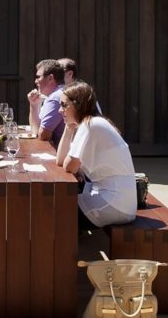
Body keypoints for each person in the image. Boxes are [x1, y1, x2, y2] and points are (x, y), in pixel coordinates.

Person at [54, 81, 136, 228]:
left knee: (53, 211)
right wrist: (68, 128)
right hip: (121, 203)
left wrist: (75, 167)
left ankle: (64, 250)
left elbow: (68, 166)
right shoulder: (93, 122)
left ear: (78, 105)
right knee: (58, 205)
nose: (60, 110)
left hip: (114, 204)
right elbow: (60, 160)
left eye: (64, 105)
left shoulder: (90, 125)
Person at [26, 58, 66, 142]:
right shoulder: (56, 94)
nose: (35, 81)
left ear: (50, 78)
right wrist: (34, 105)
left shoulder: (55, 97)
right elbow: (35, 130)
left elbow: (43, 135)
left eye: (38, 77)